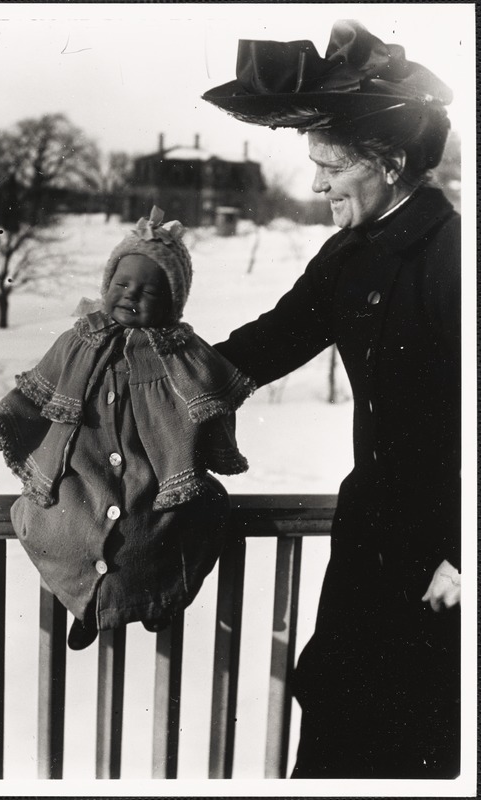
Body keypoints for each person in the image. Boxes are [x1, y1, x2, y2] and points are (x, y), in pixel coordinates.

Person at [202, 19, 461, 779]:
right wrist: (141, 368)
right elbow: (266, 344)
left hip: (444, 572)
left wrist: (462, 556)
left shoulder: (455, 259)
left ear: (384, 161)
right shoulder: (346, 254)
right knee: (339, 728)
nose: (314, 185)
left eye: (328, 166)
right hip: (369, 550)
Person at [0, 206, 255, 650]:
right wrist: (8, 419)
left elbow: (212, 398)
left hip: (156, 476)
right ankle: (84, 606)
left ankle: (156, 601)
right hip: (81, 474)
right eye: (122, 284)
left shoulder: (182, 351)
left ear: (172, 301)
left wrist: (209, 443)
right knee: (64, 530)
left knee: (158, 533)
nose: (131, 295)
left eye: (148, 290)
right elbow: (39, 388)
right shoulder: (79, 340)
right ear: (107, 285)